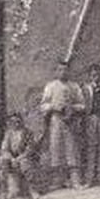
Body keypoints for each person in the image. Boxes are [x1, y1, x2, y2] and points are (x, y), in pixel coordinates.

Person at [38, 60, 85, 189]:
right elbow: (43, 105)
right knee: (56, 148)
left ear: (69, 71)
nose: (63, 72)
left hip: (71, 121)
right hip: (56, 119)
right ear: (56, 72)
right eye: (60, 70)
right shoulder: (51, 86)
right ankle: (57, 180)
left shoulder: (74, 86)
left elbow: (82, 105)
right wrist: (54, 106)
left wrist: (72, 108)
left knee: (72, 148)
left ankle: (75, 180)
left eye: (65, 70)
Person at [80, 63, 100, 188]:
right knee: (91, 148)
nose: (95, 77)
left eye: (97, 74)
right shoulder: (86, 89)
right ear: (90, 76)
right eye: (93, 75)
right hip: (91, 119)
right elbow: (82, 105)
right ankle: (89, 179)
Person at [0, 112, 37, 199]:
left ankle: (32, 190)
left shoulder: (28, 133)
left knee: (25, 164)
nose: (15, 123)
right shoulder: (8, 134)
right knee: (3, 163)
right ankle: (4, 192)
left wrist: (19, 158)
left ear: (21, 121)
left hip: (24, 156)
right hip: (12, 157)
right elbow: (4, 148)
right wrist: (11, 158)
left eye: (18, 121)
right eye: (12, 122)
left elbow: (29, 149)